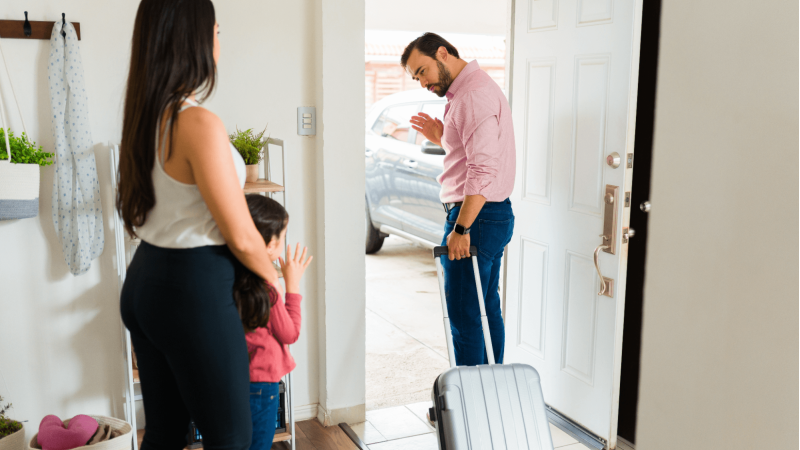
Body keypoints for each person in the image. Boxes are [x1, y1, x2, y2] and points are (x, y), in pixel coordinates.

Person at [118, 2, 299, 449]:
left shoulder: (147, 116)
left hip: (145, 281)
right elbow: (241, 235)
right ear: (193, 38)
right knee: (232, 438)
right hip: (192, 288)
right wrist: (274, 281)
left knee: (165, 432)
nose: (219, 41)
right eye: (216, 31)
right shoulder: (197, 122)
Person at [402, 33, 516, 367]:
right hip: (488, 214)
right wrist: (442, 137)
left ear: (442, 53)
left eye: (422, 71)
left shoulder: (473, 96)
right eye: (416, 78)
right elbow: (474, 153)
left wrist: (461, 228)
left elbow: (483, 168)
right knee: (484, 309)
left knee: (465, 315)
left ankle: (469, 396)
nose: (423, 83)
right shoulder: (469, 91)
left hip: (475, 217)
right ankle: (489, 388)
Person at [233, 195, 311, 450]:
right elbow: (290, 333)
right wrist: (292, 285)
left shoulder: (227, 277)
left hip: (230, 379)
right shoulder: (266, 288)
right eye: (283, 236)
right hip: (261, 385)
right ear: (269, 245)